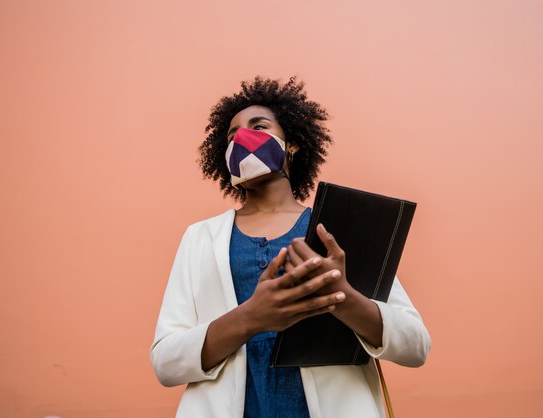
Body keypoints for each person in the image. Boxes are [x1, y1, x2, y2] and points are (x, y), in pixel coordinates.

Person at [150, 76, 431, 418]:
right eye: (231, 134)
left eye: (259, 125)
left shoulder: (338, 230)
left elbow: (416, 345)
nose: (242, 137)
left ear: (292, 144)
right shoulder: (199, 239)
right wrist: (249, 318)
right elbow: (166, 362)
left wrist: (342, 297)